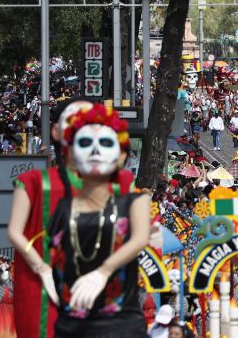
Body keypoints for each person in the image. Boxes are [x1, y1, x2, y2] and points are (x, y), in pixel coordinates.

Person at [46, 104, 151, 337]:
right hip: (71, 326)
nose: (95, 151)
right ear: (71, 153)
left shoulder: (136, 203)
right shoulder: (63, 208)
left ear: (121, 154)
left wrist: (104, 271)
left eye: (105, 143)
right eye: (85, 143)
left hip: (121, 326)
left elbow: (140, 239)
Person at [6, 98, 93, 338]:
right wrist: (42, 268)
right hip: (38, 286)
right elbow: (15, 231)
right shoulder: (33, 182)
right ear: (57, 131)